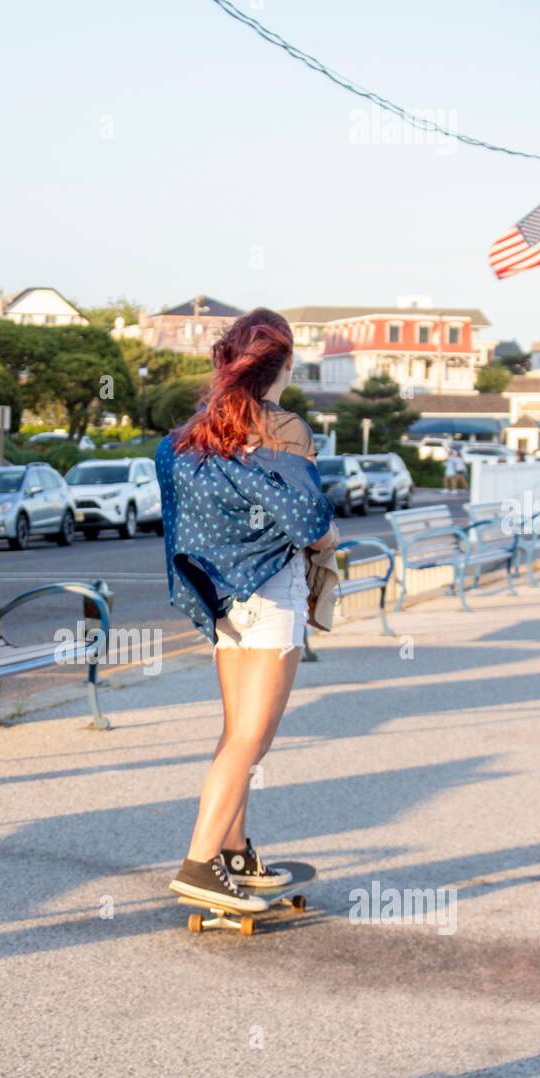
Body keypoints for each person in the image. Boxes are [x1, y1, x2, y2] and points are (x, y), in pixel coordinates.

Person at [155, 308, 337, 912]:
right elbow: (310, 522)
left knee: (236, 734)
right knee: (252, 740)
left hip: (222, 602)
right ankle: (200, 862)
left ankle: (232, 853)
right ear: (282, 366)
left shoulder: (186, 437)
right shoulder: (285, 430)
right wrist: (328, 542)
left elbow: (184, 525)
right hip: (271, 595)